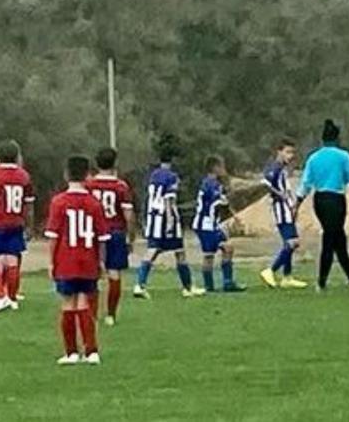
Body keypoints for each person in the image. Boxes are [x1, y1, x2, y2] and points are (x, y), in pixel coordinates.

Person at [45, 155, 109, 365]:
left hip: (66, 260)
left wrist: (51, 262)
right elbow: (102, 239)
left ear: (66, 175)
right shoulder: (94, 203)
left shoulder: (58, 202)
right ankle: (91, 351)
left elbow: (54, 237)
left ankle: (71, 352)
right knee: (84, 302)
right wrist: (100, 261)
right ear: (87, 176)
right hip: (88, 260)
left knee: (67, 304)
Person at [134, 136, 202, 299]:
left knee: (152, 250)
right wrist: (171, 220)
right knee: (179, 252)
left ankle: (140, 284)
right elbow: (169, 199)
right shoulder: (171, 176)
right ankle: (187, 287)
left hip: (153, 217)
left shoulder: (154, 175)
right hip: (165, 218)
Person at [298, 120, 349, 291]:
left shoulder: (314, 157)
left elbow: (306, 183)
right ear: (337, 138)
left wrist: (297, 201)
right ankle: (322, 280)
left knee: (338, 237)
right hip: (336, 199)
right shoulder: (343, 156)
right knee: (332, 238)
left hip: (319, 200)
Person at [0, 140, 35, 314]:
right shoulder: (24, 175)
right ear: (16, 156)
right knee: (12, 260)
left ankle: (0, 296)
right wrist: (29, 225)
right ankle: (12, 297)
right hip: (16, 222)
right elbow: (29, 203)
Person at [84, 147, 135, 326]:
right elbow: (129, 216)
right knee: (114, 273)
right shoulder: (121, 186)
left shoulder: (89, 185)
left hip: (93, 232)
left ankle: (92, 314)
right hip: (115, 232)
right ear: (115, 163)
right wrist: (131, 237)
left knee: (92, 273)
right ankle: (111, 315)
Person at [259, 139, 308, 290]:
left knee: (289, 243)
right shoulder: (275, 167)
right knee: (293, 242)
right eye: (287, 152)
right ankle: (270, 270)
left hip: (287, 208)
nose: (290, 156)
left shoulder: (283, 168)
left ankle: (287, 277)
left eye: (292, 152)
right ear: (279, 152)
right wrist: (279, 195)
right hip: (281, 209)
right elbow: (265, 183)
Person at [192, 155, 244, 293]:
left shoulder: (214, 184)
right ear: (215, 168)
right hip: (205, 225)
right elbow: (220, 203)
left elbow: (224, 202)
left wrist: (235, 216)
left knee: (226, 249)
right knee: (211, 254)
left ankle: (226, 283)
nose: (224, 170)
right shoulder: (210, 184)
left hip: (211, 225)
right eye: (222, 166)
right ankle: (211, 286)